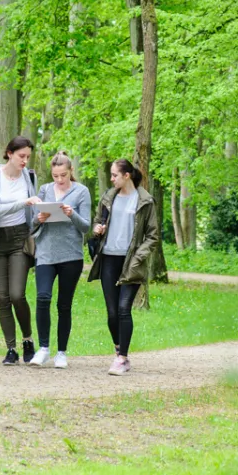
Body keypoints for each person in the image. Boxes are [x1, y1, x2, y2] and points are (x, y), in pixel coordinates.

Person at [88, 158, 160, 375]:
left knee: (123, 309)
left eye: (114, 175)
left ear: (126, 175)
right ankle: (119, 349)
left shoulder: (145, 201)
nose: (111, 179)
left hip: (132, 262)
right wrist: (97, 229)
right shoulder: (108, 198)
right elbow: (97, 221)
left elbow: (153, 235)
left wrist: (139, 257)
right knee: (111, 313)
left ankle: (122, 358)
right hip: (109, 258)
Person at [0, 136, 41, 365]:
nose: (25, 160)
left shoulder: (28, 175)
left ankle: (27, 340)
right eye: (21, 156)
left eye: (28, 156)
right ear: (9, 154)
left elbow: (34, 210)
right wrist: (24, 202)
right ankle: (11, 349)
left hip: (19, 239)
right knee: (3, 298)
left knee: (17, 295)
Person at [29, 152, 92, 369]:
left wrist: (71, 214)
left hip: (71, 255)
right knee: (43, 297)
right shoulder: (45, 190)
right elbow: (32, 226)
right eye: (55, 175)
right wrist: (39, 218)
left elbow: (86, 226)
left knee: (64, 305)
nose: (59, 180)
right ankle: (44, 348)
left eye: (63, 175)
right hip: (45, 253)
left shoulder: (81, 191)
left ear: (70, 171)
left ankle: (61, 352)